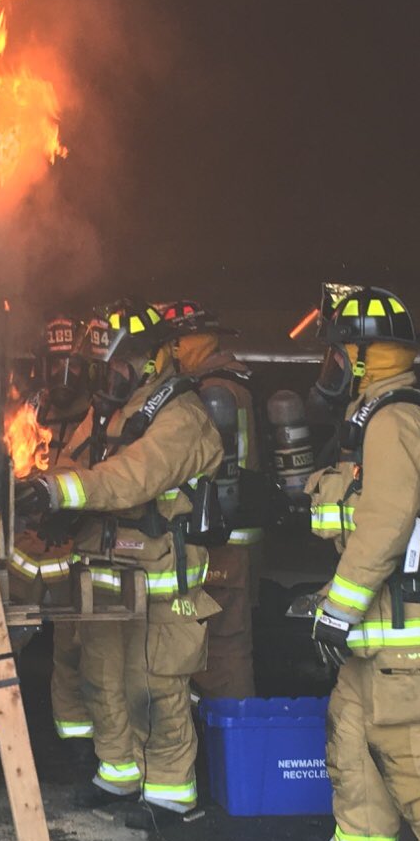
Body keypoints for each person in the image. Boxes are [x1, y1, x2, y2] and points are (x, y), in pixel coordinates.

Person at [15, 298, 223, 830]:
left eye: (120, 363)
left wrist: (61, 489)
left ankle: (170, 795)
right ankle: (118, 773)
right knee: (101, 677)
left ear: (153, 358)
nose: (110, 374)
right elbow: (74, 463)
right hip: (104, 570)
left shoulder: (183, 416)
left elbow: (134, 477)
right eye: (103, 365)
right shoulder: (110, 409)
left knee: (152, 685)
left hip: (160, 576)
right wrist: (44, 494)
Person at [306, 285, 420, 841]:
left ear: (364, 357)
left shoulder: (395, 423)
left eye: (337, 353)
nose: (330, 366)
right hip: (372, 652)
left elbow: (384, 526)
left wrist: (337, 612)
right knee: (357, 784)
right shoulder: (368, 420)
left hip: (406, 658)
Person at [0, 316, 93, 753]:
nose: (64, 378)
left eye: (73, 367)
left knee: (76, 648)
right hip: (24, 547)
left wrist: (77, 514)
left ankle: (77, 737)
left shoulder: (100, 415)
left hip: (73, 550)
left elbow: (107, 477)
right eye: (55, 364)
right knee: (0, 641)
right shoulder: (27, 410)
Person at [159, 299, 262, 700]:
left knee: (222, 647)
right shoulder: (234, 381)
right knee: (225, 642)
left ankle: (233, 739)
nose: (170, 353)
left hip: (220, 540)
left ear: (189, 341)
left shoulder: (213, 390)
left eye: (173, 343)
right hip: (235, 535)